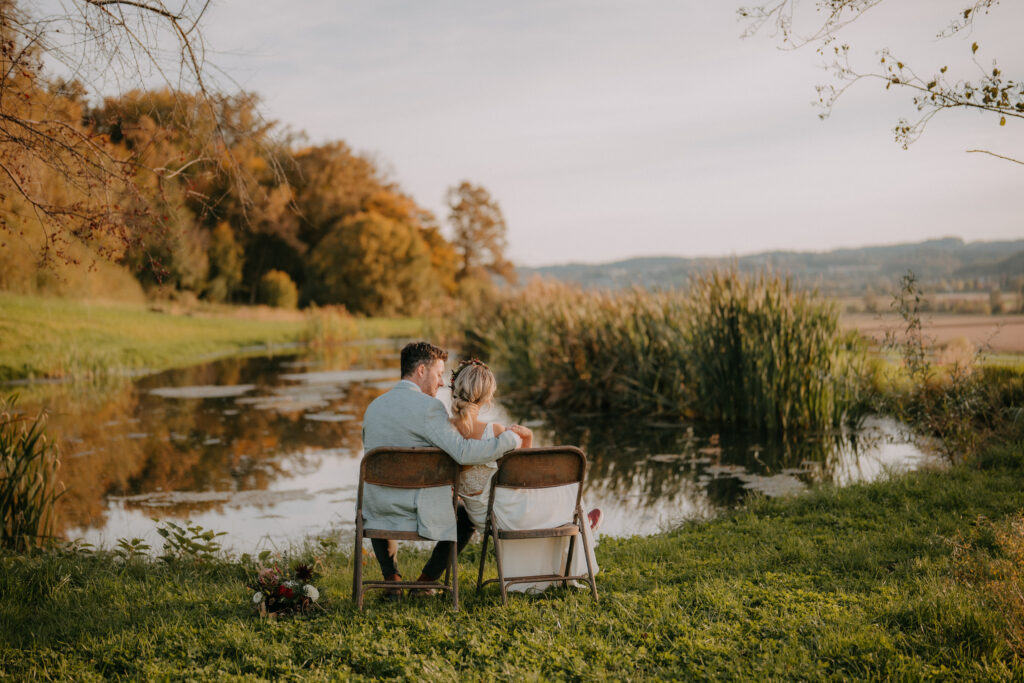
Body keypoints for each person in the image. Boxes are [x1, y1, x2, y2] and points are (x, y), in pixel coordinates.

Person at [360, 341, 531, 598]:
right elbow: (462, 451)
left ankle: (392, 579)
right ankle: (425, 582)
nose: (441, 383)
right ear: (420, 370)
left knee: (385, 491)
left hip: (376, 508)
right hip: (416, 510)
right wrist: (508, 440)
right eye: (439, 374)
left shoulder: (374, 407)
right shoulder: (429, 408)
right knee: (464, 517)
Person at [449, 358, 601, 593]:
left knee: (563, 498)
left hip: (482, 517)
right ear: (487, 397)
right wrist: (528, 439)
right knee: (570, 493)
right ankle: (583, 525)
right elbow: (523, 481)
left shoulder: (446, 432)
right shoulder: (495, 432)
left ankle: (580, 522)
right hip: (508, 514)